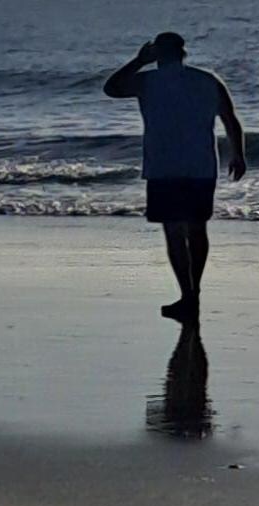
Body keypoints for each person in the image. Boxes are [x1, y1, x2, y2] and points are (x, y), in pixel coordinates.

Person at [102, 30, 248, 323]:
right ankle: (193, 293)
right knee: (196, 229)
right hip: (201, 166)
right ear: (183, 53)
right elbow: (231, 119)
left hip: (164, 166)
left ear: (158, 54)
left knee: (173, 231)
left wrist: (137, 61)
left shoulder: (147, 81)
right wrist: (238, 154)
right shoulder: (206, 80)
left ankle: (187, 294)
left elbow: (111, 88)